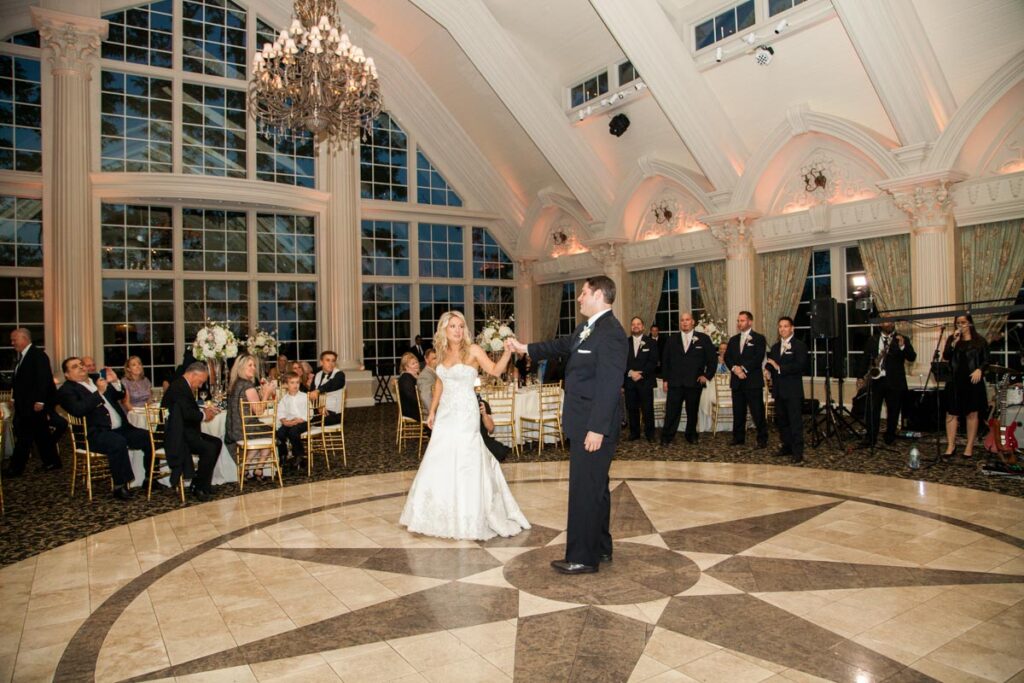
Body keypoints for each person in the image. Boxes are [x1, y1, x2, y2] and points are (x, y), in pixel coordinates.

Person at [510, 276, 626, 574]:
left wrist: (597, 428)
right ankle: (600, 547)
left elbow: (610, 385)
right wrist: (525, 347)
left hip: (593, 426)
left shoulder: (611, 333)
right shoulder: (589, 328)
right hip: (584, 421)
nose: (579, 298)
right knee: (596, 488)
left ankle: (582, 557)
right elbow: (562, 345)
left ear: (599, 295)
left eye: (584, 293)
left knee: (584, 490)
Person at [400, 310, 529, 541]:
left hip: (466, 413)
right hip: (446, 412)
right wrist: (432, 411)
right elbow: (439, 382)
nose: (458, 331)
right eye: (453, 327)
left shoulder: (474, 350)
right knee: (440, 456)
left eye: (461, 326)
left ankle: (469, 514)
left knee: (466, 459)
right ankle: (436, 514)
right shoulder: (441, 352)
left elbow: (495, 371)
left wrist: (508, 352)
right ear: (444, 331)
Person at [57, 358, 152, 500]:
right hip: (95, 433)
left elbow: (119, 395)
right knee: (117, 442)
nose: (81, 367)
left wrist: (114, 382)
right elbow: (78, 410)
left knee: (147, 436)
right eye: (75, 367)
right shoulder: (66, 390)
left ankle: (150, 478)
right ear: (67, 374)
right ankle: (120, 486)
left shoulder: (97, 378)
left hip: (120, 428)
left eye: (81, 364)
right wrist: (99, 393)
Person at [4, 328, 60, 477]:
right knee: (42, 435)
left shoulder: (37, 355)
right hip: (26, 404)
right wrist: (14, 398)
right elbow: (20, 382)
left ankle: (15, 469)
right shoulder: (23, 356)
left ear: (24, 338)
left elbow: (44, 379)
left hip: (33, 405)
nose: (12, 343)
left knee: (24, 437)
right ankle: (53, 462)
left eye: (14, 339)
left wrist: (41, 401)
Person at [161, 362, 222, 501]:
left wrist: (203, 411)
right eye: (200, 381)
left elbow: (188, 410)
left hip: (186, 430)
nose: (200, 386)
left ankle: (200, 483)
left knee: (216, 442)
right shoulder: (179, 388)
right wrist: (205, 415)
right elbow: (187, 414)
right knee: (209, 448)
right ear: (193, 374)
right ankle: (200, 487)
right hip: (177, 435)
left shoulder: (182, 386)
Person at [661, 312, 716, 445]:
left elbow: (712, 360)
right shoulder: (672, 339)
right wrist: (665, 380)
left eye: (687, 320)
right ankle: (667, 436)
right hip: (675, 383)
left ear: (693, 322)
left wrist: (707, 376)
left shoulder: (703, 339)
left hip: (694, 382)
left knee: (692, 411)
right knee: (672, 411)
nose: (684, 322)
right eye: (682, 320)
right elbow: (665, 361)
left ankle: (691, 435)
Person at [861, 320, 917, 447]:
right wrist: (860, 376)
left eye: (891, 322)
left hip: (895, 381)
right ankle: (871, 437)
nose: (889, 324)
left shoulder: (902, 339)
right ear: (881, 324)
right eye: (885, 321)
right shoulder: (873, 340)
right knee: (873, 410)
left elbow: (912, 357)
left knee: (894, 410)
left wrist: (903, 347)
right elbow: (865, 358)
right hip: (876, 381)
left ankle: (890, 436)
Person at [942, 313, 988, 457]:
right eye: (958, 323)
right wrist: (953, 342)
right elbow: (946, 356)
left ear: (970, 323)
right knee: (951, 413)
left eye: (963, 322)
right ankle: (951, 445)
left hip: (972, 381)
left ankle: (969, 446)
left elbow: (986, 360)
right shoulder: (952, 339)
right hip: (955, 381)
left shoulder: (980, 341)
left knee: (972, 413)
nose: (960, 325)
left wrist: (979, 369)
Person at [225, 354, 276, 480]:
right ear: (241, 367)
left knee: (264, 434)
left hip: (233, 429)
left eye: (254, 365)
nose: (254, 368)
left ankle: (247, 468)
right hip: (245, 429)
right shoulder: (248, 386)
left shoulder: (235, 384)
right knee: (273, 434)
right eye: (250, 365)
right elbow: (259, 411)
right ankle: (257, 469)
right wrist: (267, 393)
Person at [766, 316, 808, 464]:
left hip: (793, 391)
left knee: (795, 422)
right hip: (778, 390)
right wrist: (768, 370)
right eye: (780, 327)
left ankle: (798, 452)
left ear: (792, 328)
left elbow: (800, 365)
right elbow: (771, 363)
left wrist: (779, 368)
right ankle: (787, 446)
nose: (782, 329)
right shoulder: (776, 347)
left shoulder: (799, 346)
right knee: (782, 421)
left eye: (785, 326)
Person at [724, 311, 768, 448]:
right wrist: (735, 369)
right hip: (737, 382)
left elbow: (758, 357)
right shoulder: (733, 339)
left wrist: (743, 369)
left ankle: (762, 439)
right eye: (738, 321)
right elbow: (727, 357)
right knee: (738, 411)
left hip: (752, 382)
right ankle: (738, 438)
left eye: (742, 320)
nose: (739, 323)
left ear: (750, 322)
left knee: (757, 412)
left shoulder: (759, 338)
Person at [623, 316, 657, 442]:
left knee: (647, 408)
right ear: (631, 327)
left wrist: (641, 374)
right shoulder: (625, 343)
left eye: (638, 324)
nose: (635, 326)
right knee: (632, 408)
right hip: (630, 381)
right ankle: (634, 433)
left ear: (643, 327)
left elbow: (653, 362)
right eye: (633, 324)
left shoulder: (651, 342)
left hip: (645, 381)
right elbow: (621, 361)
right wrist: (631, 372)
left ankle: (650, 434)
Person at [276, 371, 308, 468]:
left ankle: (299, 455)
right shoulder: (284, 399)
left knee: (293, 432)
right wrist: (284, 421)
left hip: (302, 422)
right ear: (286, 385)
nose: (295, 385)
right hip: (289, 422)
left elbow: (309, 413)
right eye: (292, 383)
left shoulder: (304, 396)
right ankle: (283, 454)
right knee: (279, 433)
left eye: (297, 382)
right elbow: (280, 412)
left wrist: (298, 420)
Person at [309, 351, 345, 426]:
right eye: (328, 360)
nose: (331, 363)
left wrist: (318, 390)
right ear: (321, 362)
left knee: (305, 422)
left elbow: (331, 384)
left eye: (333, 361)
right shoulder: (317, 375)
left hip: (333, 413)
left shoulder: (339, 375)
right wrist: (319, 406)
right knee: (300, 419)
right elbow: (311, 394)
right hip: (319, 411)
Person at [478, 396, 511, 462]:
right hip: (465, 440)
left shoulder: (482, 404)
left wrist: (484, 414)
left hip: (483, 439)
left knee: (500, 452)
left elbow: (491, 429)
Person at [397, 352, 422, 421]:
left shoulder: (416, 376)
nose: (416, 365)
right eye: (413, 364)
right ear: (406, 367)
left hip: (417, 407)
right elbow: (412, 398)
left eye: (416, 362)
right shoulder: (406, 378)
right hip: (412, 411)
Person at [417, 348, 439, 414]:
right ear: (426, 360)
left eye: (439, 358)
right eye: (434, 358)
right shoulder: (425, 376)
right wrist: (434, 413)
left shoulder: (437, 372)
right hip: (431, 413)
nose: (438, 361)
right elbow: (426, 396)